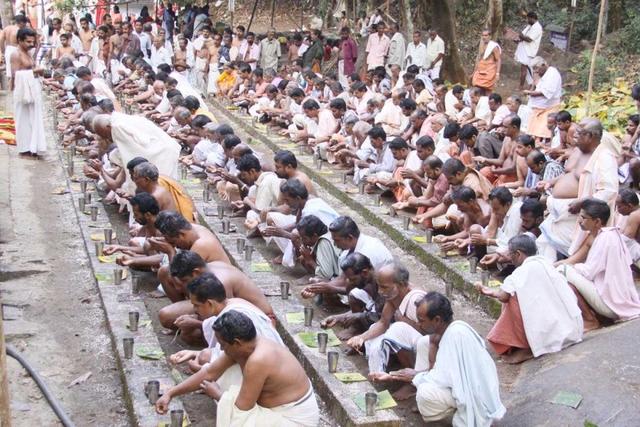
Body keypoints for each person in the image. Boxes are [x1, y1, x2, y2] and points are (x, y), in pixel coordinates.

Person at [157, 311, 320, 426]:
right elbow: (209, 372)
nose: (221, 349)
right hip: (274, 407)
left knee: (235, 414)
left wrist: (218, 395)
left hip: (292, 420)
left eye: (222, 345)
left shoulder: (258, 360)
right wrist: (170, 393)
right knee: (224, 371)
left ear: (236, 342)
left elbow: (241, 411)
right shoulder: (245, 346)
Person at [477, 234, 583, 363]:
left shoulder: (520, 272)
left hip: (546, 329)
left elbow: (503, 296)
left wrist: (488, 291)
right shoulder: (546, 263)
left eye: (511, 254)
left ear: (518, 254)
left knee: (512, 299)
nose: (510, 258)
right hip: (570, 327)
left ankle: (526, 347)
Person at [411, 292, 506, 425]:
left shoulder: (455, 335)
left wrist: (415, 376)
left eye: (421, 320)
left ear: (437, 320)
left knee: (424, 393)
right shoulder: (453, 329)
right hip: (472, 387)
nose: (419, 324)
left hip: (476, 395)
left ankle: (456, 415)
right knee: (423, 343)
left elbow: (444, 379)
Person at [167, 272, 281, 372]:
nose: (195, 310)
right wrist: (192, 353)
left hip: (266, 366)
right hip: (273, 358)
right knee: (203, 355)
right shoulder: (233, 303)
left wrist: (203, 369)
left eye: (196, 305)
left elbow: (236, 354)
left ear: (210, 303)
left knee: (204, 357)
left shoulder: (230, 316)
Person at [347, 262, 426, 397]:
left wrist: (404, 321)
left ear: (401, 285)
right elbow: (383, 323)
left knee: (397, 331)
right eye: (379, 287)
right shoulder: (393, 296)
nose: (380, 292)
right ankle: (383, 371)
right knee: (378, 330)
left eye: (384, 287)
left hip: (427, 351)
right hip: (411, 343)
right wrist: (361, 338)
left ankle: (413, 384)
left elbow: (427, 334)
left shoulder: (416, 300)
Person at [558, 198, 640, 322]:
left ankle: (590, 320)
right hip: (619, 302)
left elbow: (588, 272)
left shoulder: (605, 237)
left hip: (612, 306)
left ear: (597, 221)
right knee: (566, 268)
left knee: (562, 270)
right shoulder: (608, 235)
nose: (580, 220)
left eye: (584, 217)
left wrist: (573, 267)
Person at [152, 211, 230, 303]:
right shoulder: (194, 229)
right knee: (163, 272)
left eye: (174, 242)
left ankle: (187, 309)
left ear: (181, 234)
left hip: (216, 296)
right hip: (205, 285)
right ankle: (183, 307)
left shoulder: (200, 245)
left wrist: (170, 252)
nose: (175, 246)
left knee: (165, 314)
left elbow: (179, 283)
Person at [11, 27, 46, 158]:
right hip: (22, 93)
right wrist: (34, 72)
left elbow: (32, 67)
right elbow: (16, 75)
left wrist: (36, 71)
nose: (31, 44)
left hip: (33, 90)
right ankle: (24, 148)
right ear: (19, 40)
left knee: (34, 119)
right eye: (28, 42)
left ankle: (34, 146)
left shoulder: (29, 52)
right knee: (23, 120)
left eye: (32, 42)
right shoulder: (15, 54)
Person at [524, 57, 562, 140]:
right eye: (533, 69)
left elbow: (546, 93)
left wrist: (530, 93)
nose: (535, 71)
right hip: (538, 108)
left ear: (543, 65)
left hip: (549, 108)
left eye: (536, 68)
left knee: (544, 134)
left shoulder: (553, 74)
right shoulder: (542, 73)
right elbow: (537, 85)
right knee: (533, 134)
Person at [514, 12, 543, 89]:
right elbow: (523, 36)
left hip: (528, 51)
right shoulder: (530, 26)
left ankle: (521, 86)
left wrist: (521, 36)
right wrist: (518, 39)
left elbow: (529, 39)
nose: (527, 20)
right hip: (524, 49)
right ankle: (532, 85)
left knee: (524, 70)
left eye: (528, 18)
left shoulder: (538, 28)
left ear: (532, 18)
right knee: (527, 69)